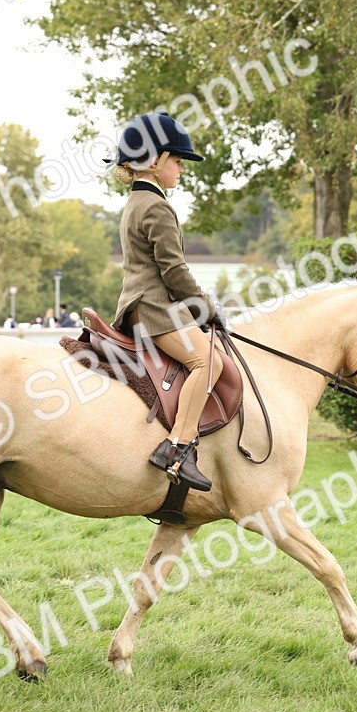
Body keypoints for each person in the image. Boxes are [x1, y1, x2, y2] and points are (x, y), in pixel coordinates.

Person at [107, 111, 227, 492]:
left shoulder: (136, 201)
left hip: (142, 305)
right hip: (155, 309)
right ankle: (177, 447)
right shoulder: (156, 206)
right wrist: (206, 308)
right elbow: (174, 271)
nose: (180, 169)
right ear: (156, 160)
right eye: (176, 161)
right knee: (208, 361)